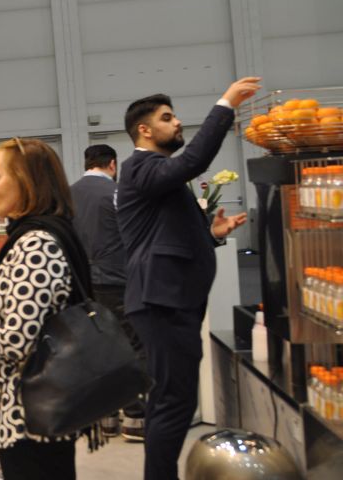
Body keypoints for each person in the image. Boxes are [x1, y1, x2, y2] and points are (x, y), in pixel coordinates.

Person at [117, 77, 259, 480]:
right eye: (167, 118)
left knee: (171, 398)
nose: (177, 122)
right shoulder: (140, 167)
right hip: (160, 300)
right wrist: (225, 104)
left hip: (170, 299)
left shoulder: (153, 174)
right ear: (144, 130)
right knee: (173, 401)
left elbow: (159, 234)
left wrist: (209, 234)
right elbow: (193, 161)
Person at [0, 138, 93, 480]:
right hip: (33, 413)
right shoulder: (33, 236)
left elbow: (16, 340)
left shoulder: (36, 244)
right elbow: (18, 307)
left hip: (29, 417)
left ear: (28, 182)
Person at [70, 144, 145, 440]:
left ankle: (107, 417)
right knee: (130, 344)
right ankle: (135, 417)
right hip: (117, 278)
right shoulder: (116, 193)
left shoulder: (69, 194)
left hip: (83, 282)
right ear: (112, 164)